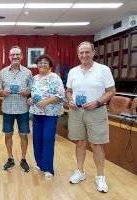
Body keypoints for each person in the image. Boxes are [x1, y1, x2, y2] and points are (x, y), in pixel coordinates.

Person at [66, 41, 116, 193]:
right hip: (76, 111)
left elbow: (111, 91)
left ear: (93, 53)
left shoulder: (103, 69)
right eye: (81, 52)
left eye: (87, 52)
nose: (84, 55)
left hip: (96, 111)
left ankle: (100, 177)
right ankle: (80, 171)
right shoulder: (73, 71)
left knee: (97, 144)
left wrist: (98, 102)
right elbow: (68, 90)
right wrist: (70, 100)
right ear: (78, 54)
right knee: (80, 142)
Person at [27, 55, 65, 179]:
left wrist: (47, 102)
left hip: (50, 114)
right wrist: (29, 99)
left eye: (45, 62)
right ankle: (39, 163)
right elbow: (31, 93)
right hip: (36, 113)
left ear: (49, 65)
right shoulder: (34, 79)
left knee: (48, 139)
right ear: (36, 65)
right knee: (37, 139)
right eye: (40, 62)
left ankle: (48, 168)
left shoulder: (54, 77)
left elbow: (60, 95)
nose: (42, 64)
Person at [0, 46, 32, 172]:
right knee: (8, 134)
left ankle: (23, 159)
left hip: (23, 108)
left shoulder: (28, 72)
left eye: (17, 54)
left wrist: (27, 92)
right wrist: (3, 92)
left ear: (22, 56)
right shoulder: (3, 72)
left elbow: (31, 90)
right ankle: (10, 158)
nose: (15, 57)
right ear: (9, 57)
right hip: (7, 108)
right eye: (13, 55)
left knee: (23, 135)